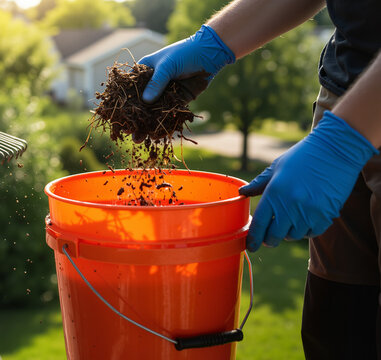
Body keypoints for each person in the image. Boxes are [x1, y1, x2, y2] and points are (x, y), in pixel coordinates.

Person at [137, 0, 381, 358]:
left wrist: (342, 142)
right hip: (345, 92)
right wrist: (214, 42)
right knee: (334, 323)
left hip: (348, 124)